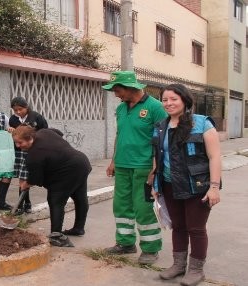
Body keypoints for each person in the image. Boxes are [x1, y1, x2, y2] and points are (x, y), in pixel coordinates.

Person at [151, 84, 221, 286]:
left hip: (196, 185)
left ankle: (196, 270)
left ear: (185, 100)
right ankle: (178, 265)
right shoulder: (161, 126)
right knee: (178, 227)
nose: (169, 103)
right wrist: (155, 183)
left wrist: (214, 187)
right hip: (169, 185)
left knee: (196, 228)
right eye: (165, 99)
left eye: (174, 99)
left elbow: (214, 156)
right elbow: (158, 157)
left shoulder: (202, 123)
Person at [102, 70, 168, 265]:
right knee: (121, 206)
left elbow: (162, 140)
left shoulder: (155, 107)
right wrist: (113, 161)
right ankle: (125, 243)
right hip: (122, 165)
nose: (116, 94)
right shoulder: (121, 109)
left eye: (118, 89)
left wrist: (155, 168)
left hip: (144, 166)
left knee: (143, 208)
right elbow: (119, 135)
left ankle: (150, 249)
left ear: (131, 87)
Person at [12, 125, 91, 247]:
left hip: (67, 170)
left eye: (20, 142)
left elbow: (36, 179)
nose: (18, 146)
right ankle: (78, 228)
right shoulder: (44, 132)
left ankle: (57, 236)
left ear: (29, 138)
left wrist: (25, 184)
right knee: (79, 197)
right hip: (81, 162)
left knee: (55, 200)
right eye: (16, 143)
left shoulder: (34, 156)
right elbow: (58, 133)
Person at [8, 96, 48, 214]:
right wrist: (11, 131)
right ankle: (24, 204)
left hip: (33, 151)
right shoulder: (13, 120)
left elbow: (45, 131)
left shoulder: (36, 117)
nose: (18, 112)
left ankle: (24, 204)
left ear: (26, 107)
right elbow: (15, 137)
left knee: (28, 178)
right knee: (22, 178)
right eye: (15, 110)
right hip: (20, 152)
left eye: (20, 109)